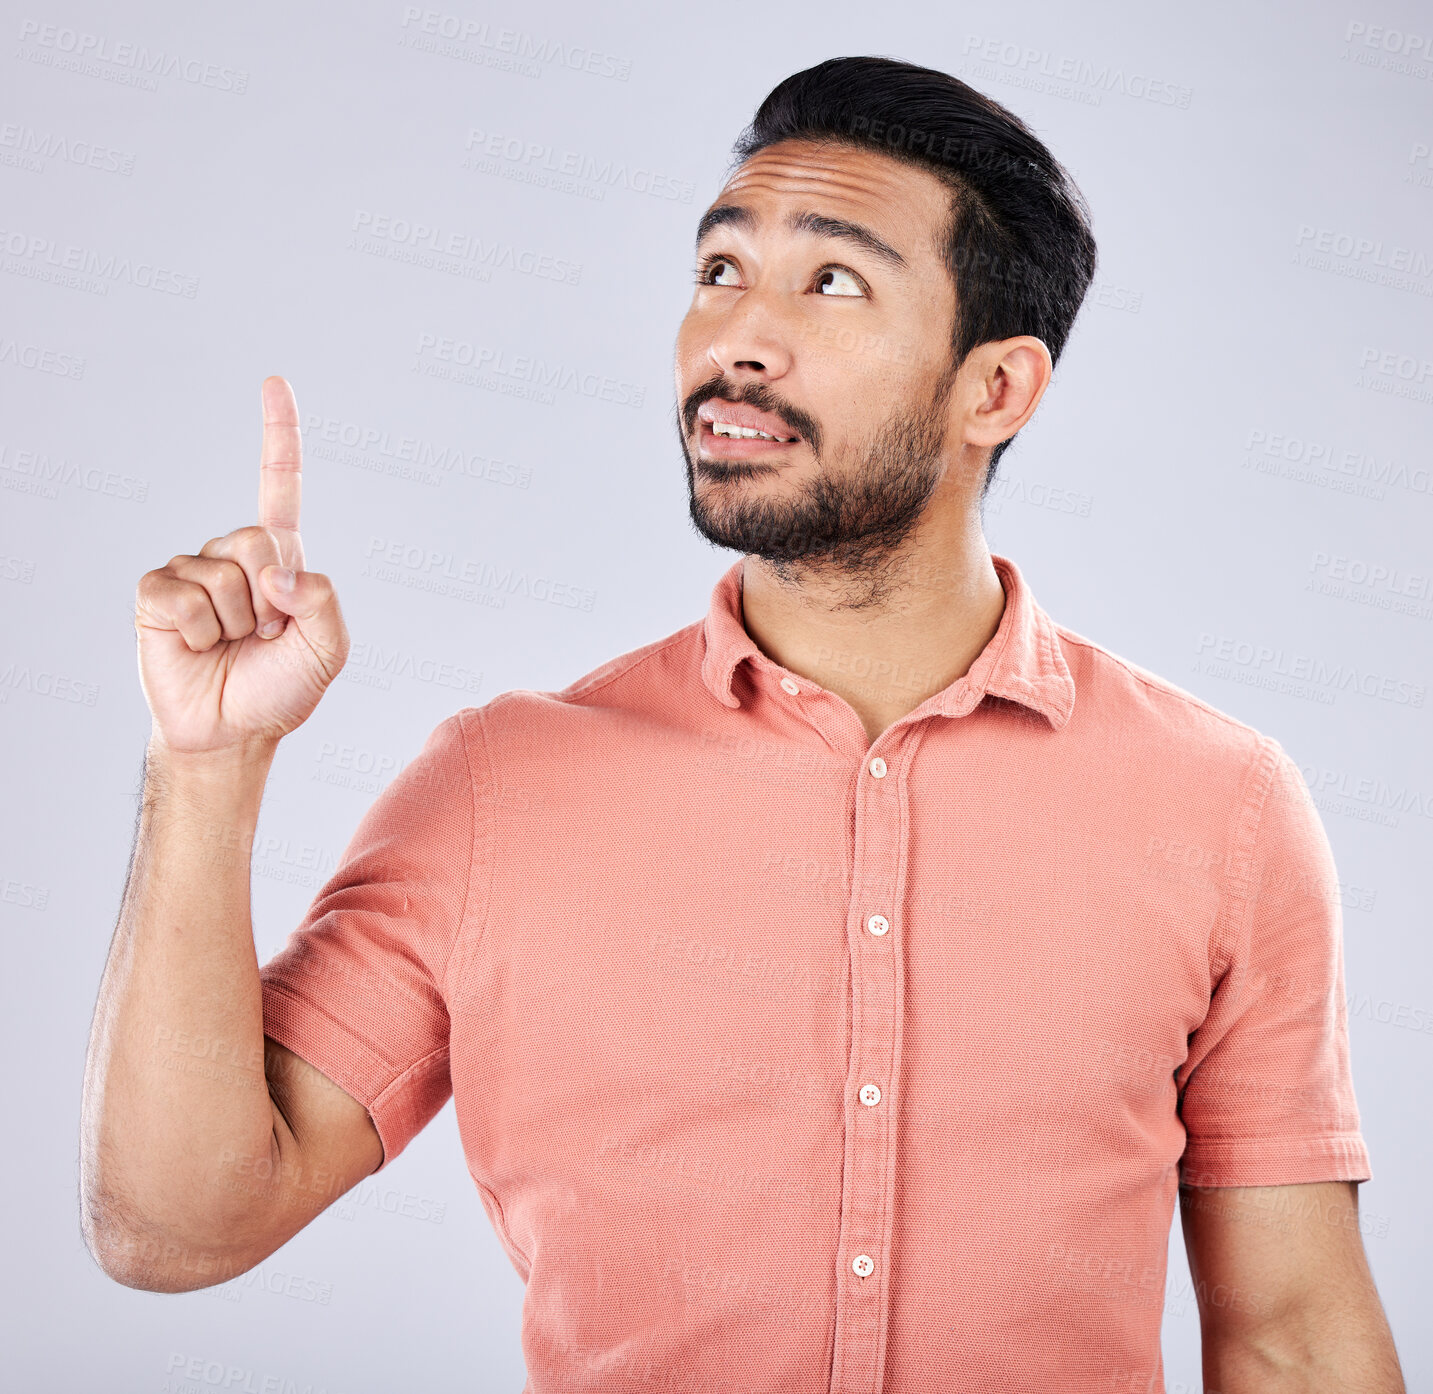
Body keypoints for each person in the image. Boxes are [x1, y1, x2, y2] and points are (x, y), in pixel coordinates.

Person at [81, 55, 1405, 1394]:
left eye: (830, 281)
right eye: (718, 271)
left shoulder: (1219, 805)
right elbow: (175, 1225)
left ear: (993, 390)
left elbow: (1292, 1340)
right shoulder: (503, 784)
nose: (735, 338)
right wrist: (206, 762)